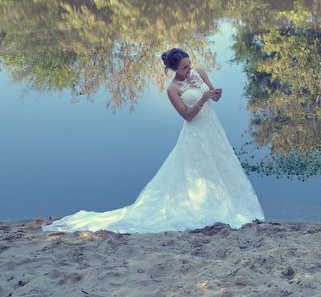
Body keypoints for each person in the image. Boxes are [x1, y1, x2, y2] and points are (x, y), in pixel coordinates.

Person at [43, 48, 264, 233]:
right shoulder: (172, 89)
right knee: (198, 169)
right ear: (173, 69)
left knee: (222, 165)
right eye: (184, 68)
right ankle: (204, 207)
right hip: (195, 132)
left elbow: (213, 96)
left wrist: (215, 94)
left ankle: (228, 202)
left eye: (189, 65)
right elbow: (187, 116)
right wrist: (203, 100)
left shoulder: (200, 73)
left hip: (213, 128)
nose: (189, 70)